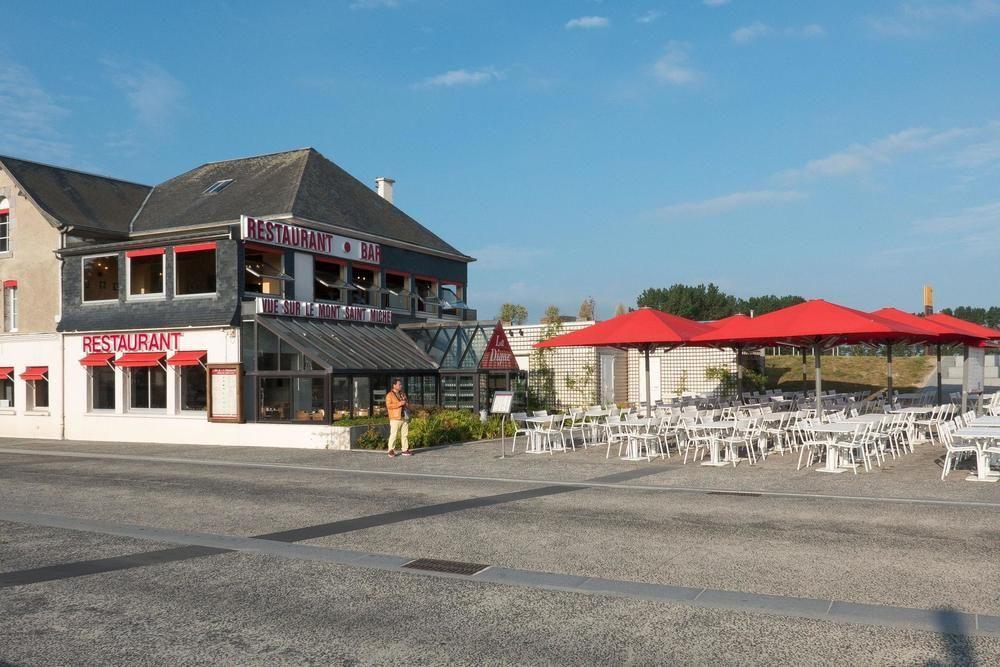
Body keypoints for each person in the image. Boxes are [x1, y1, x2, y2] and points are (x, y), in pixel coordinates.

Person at [385, 378, 411, 457]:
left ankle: (405, 450)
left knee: (405, 434)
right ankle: (391, 450)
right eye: (399, 384)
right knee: (394, 434)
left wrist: (406, 403)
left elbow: (407, 403)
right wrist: (400, 403)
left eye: (401, 384)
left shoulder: (402, 394)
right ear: (394, 385)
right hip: (395, 418)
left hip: (404, 417)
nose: (401, 386)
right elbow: (389, 406)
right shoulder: (389, 395)